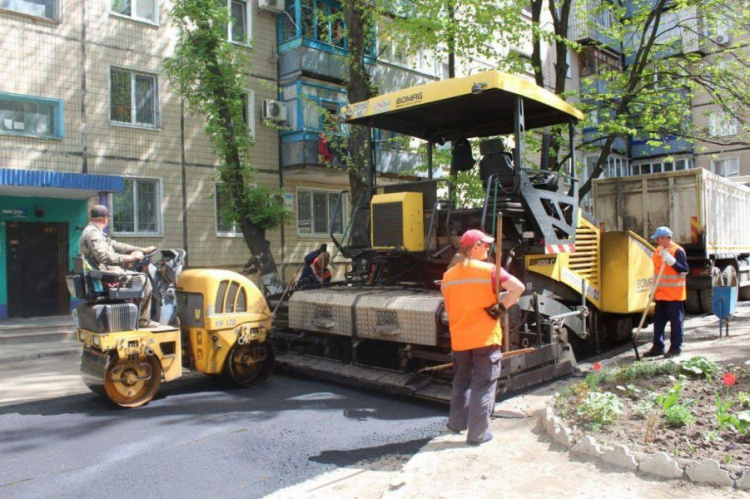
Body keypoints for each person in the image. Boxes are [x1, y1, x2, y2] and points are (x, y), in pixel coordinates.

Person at [441, 229, 525, 446]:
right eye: (485, 245)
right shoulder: (490, 270)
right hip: (485, 339)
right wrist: (501, 307)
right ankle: (478, 434)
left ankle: (456, 424)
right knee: (483, 384)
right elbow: (518, 288)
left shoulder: (448, 276)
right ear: (475, 247)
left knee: (461, 383)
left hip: (460, 339)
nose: (488, 249)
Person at [79, 205, 158, 327]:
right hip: (104, 276)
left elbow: (116, 245)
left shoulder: (95, 231)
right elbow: (103, 256)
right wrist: (130, 258)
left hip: (104, 273)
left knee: (134, 277)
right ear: (105, 219)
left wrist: (142, 249)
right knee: (143, 280)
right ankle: (143, 320)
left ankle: (133, 317)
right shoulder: (93, 233)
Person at [643, 226, 689, 358]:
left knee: (676, 324)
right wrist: (652, 289)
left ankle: (675, 348)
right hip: (661, 295)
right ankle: (658, 347)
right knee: (658, 323)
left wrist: (672, 261)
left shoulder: (677, 251)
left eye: (658, 238)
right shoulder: (657, 251)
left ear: (666, 238)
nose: (656, 241)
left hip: (674, 296)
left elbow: (685, 270)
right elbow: (656, 273)